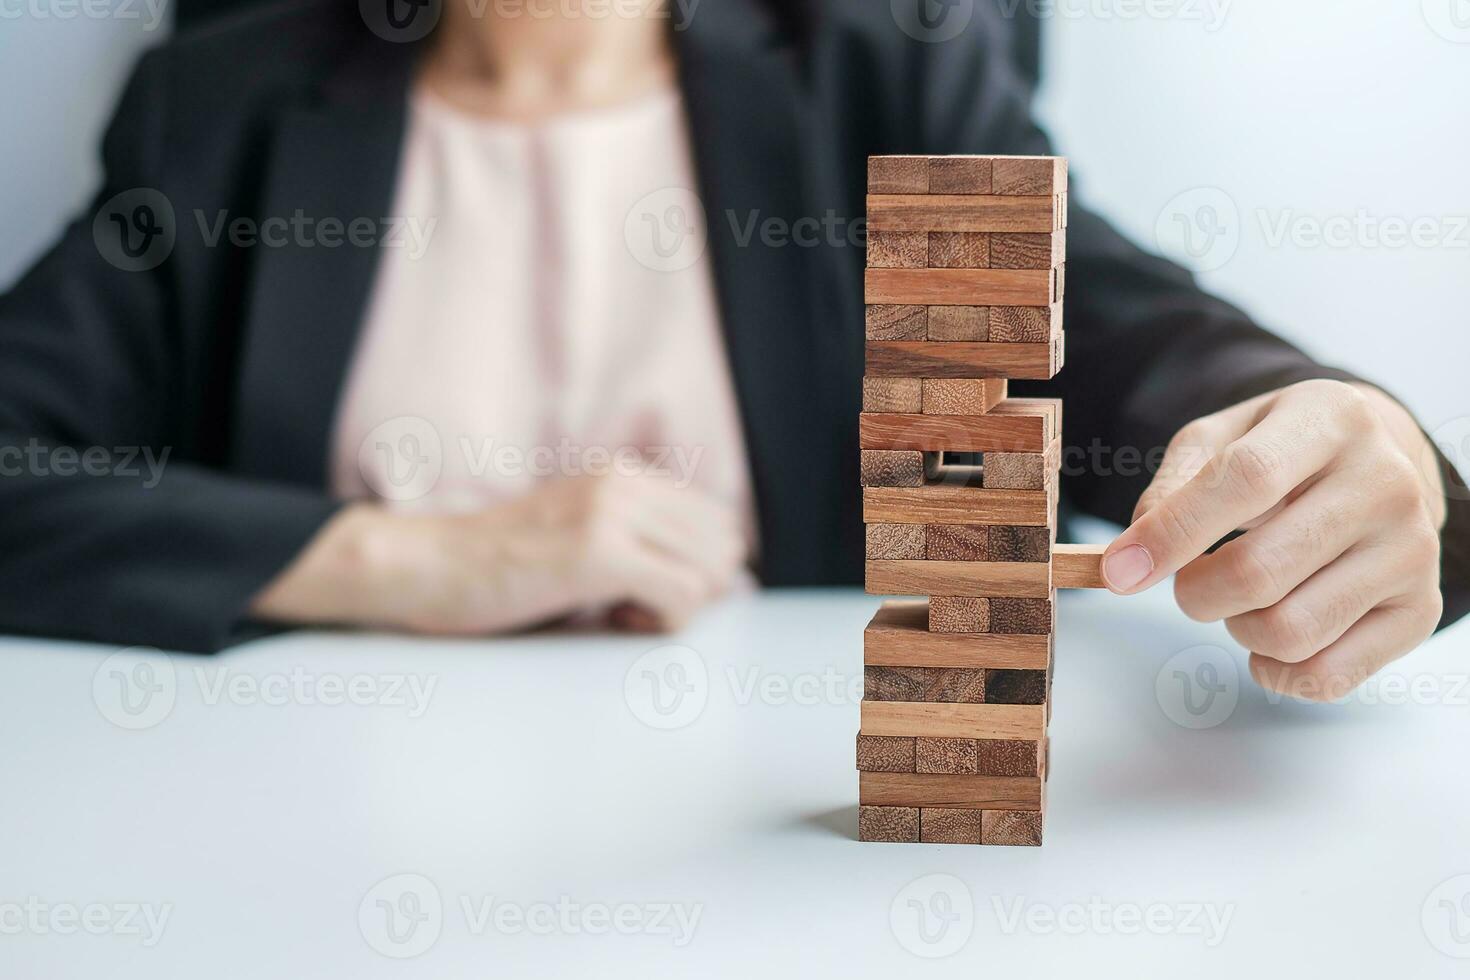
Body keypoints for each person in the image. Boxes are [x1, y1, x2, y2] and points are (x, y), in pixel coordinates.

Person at [0, 0, 1464, 703]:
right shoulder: (216, 105)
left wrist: (1358, 453)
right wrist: (405, 560)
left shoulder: (884, 75)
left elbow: (1153, 354)